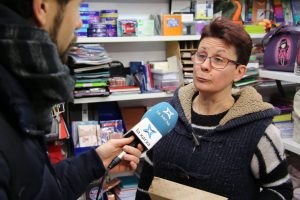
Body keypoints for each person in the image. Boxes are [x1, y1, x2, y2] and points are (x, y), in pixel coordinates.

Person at [137, 17, 293, 200]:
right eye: (201, 56)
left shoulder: (260, 131)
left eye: (218, 59)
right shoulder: (164, 116)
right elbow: (146, 179)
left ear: (239, 72)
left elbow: (280, 190)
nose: (204, 66)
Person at [0, 0, 142, 199]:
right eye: (75, 8)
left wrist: (97, 161)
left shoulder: (19, 93)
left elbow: (38, 187)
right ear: (43, 7)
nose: (78, 23)